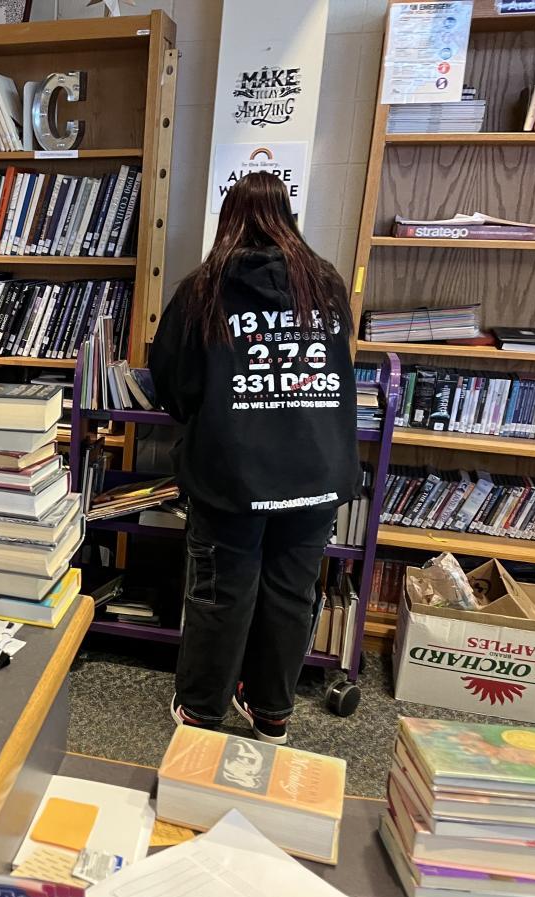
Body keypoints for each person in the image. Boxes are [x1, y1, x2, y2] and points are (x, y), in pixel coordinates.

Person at [148, 171, 358, 744]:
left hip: (232, 472)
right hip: (315, 470)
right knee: (293, 594)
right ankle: (271, 715)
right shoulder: (326, 284)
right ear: (288, 215)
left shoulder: (204, 288)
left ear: (229, 219)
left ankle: (202, 712)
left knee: (222, 593)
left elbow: (173, 380)